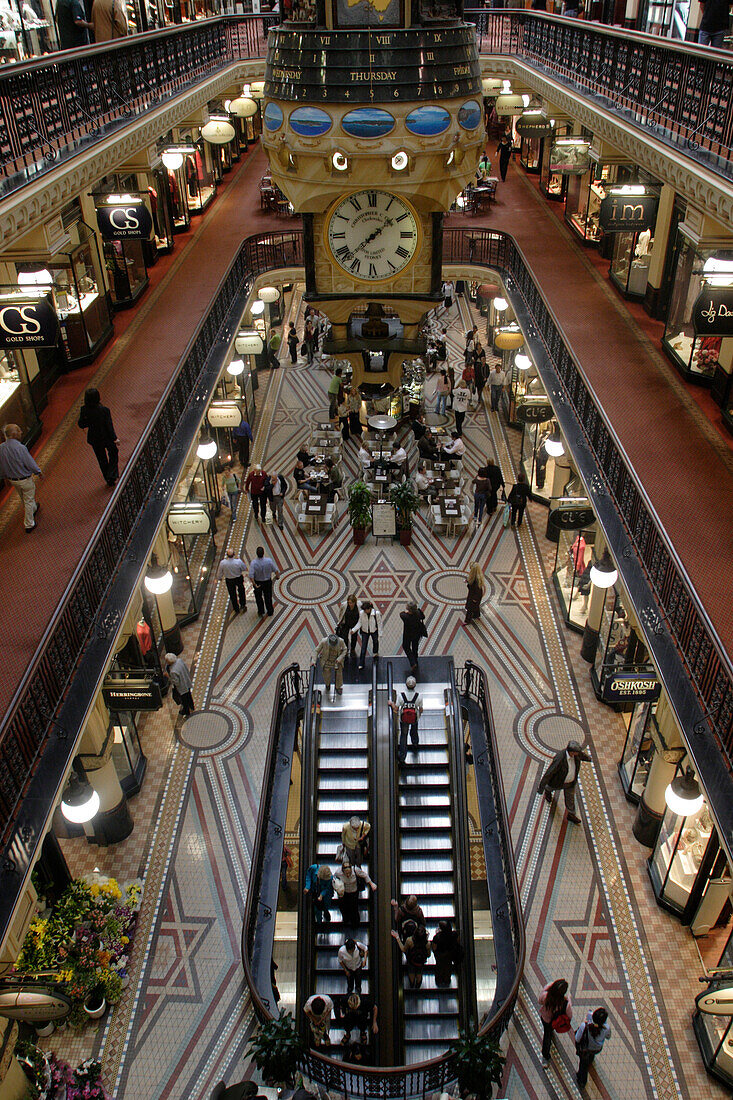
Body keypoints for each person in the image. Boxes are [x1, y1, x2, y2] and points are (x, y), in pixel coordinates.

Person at [537, 739, 592, 825]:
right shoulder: (560, 758)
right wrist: (541, 788)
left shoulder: (577, 755)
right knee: (550, 787)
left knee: (570, 799)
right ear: (572, 752)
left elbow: (583, 756)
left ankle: (571, 815)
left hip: (570, 783)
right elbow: (549, 773)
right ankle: (547, 791)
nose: (579, 753)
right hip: (559, 782)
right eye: (577, 752)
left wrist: (591, 759)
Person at [0, 423, 42, 532]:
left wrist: (4, 477)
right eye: (18, 430)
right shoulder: (20, 447)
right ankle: (29, 524)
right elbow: (29, 463)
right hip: (24, 479)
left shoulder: (1, 448)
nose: (21, 432)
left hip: (12, 480)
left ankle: (33, 508)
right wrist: (38, 472)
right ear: (14, 434)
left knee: (23, 497)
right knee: (28, 499)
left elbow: (2, 465)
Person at [78, 387, 119, 486]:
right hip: (106, 436)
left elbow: (81, 424)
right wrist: (115, 438)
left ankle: (108, 478)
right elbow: (109, 426)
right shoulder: (104, 410)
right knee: (113, 452)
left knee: (101, 458)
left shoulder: (84, 410)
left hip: (94, 438)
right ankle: (112, 474)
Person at [389, 675, 423, 765]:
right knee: (414, 730)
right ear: (415, 685)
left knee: (403, 736)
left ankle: (402, 756)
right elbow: (421, 709)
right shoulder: (419, 696)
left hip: (404, 719)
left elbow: (396, 708)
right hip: (414, 718)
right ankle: (415, 743)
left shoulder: (401, 696)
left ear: (406, 685)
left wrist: (391, 703)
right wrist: (419, 713)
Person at [538, 979, 573, 1067]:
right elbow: (569, 1016)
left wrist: (547, 987)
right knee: (548, 1035)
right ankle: (545, 1055)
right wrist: (569, 999)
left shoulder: (546, 996)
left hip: (545, 1019)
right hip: (555, 1021)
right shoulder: (564, 1003)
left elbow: (539, 1001)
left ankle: (545, 1057)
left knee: (547, 1035)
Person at [333, 858, 376, 927]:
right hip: (344, 893)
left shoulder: (355, 870)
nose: (348, 875)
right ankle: (346, 919)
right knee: (344, 907)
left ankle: (355, 923)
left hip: (354, 892)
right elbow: (334, 879)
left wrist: (371, 884)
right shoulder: (338, 872)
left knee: (354, 908)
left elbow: (364, 875)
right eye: (346, 873)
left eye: (349, 873)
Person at [574, 1007, 610, 1089]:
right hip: (597, 1049)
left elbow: (577, 1038)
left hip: (585, 1049)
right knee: (590, 1056)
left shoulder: (585, 1026)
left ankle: (582, 1081)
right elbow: (608, 1037)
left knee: (583, 1065)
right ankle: (590, 1059)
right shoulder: (606, 1028)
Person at [392, 921, 431, 988]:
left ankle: (412, 984)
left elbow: (403, 949)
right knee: (419, 973)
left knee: (411, 972)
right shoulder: (427, 944)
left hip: (411, 961)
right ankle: (418, 986)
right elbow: (428, 955)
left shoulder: (409, 940)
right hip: (421, 962)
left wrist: (397, 937)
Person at [249, 545, 279, 617]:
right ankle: (270, 611)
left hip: (258, 582)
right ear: (263, 553)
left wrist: (254, 584)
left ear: (256, 553)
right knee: (268, 597)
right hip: (267, 582)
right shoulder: (269, 561)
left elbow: (251, 575)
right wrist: (277, 576)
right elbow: (275, 570)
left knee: (258, 598)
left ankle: (261, 610)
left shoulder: (253, 563)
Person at [351, 599, 381, 670]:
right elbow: (360, 622)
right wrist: (354, 630)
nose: (365, 611)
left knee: (376, 642)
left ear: (369, 609)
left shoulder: (376, 614)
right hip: (365, 631)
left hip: (374, 630)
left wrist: (380, 634)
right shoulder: (362, 613)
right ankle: (361, 663)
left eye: (366, 610)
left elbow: (379, 624)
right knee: (363, 647)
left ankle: (375, 653)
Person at [432, 919, 463, 987]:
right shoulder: (454, 934)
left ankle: (439, 980)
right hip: (450, 954)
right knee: (448, 967)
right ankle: (447, 979)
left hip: (440, 955)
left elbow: (434, 947)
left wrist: (436, 953)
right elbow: (458, 942)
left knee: (439, 967)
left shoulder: (437, 937)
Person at [217, 548, 248, 614]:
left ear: (227, 555)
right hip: (238, 578)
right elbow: (244, 568)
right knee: (241, 591)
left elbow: (220, 572)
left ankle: (236, 608)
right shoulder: (238, 562)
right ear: (234, 554)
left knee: (232, 594)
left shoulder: (223, 563)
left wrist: (219, 578)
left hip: (229, 580)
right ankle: (242, 604)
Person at [165, 653, 195, 717]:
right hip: (186, 681)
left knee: (184, 700)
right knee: (189, 695)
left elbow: (176, 682)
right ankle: (192, 706)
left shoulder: (173, 671)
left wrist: (169, 677)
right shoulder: (180, 661)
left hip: (182, 687)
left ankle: (186, 711)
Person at [400, 601, 426, 673]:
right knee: (415, 647)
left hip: (408, 635)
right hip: (417, 634)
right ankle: (415, 659)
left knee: (406, 647)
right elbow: (423, 616)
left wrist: (406, 612)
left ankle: (412, 662)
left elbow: (401, 613)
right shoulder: (418, 613)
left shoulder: (405, 616)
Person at [336, 594, 360, 658]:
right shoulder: (344, 605)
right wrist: (340, 621)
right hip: (346, 623)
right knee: (344, 637)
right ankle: (346, 649)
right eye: (349, 603)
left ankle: (352, 649)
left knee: (354, 637)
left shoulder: (359, 605)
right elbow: (341, 613)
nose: (350, 604)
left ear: (355, 602)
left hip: (354, 624)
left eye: (351, 603)